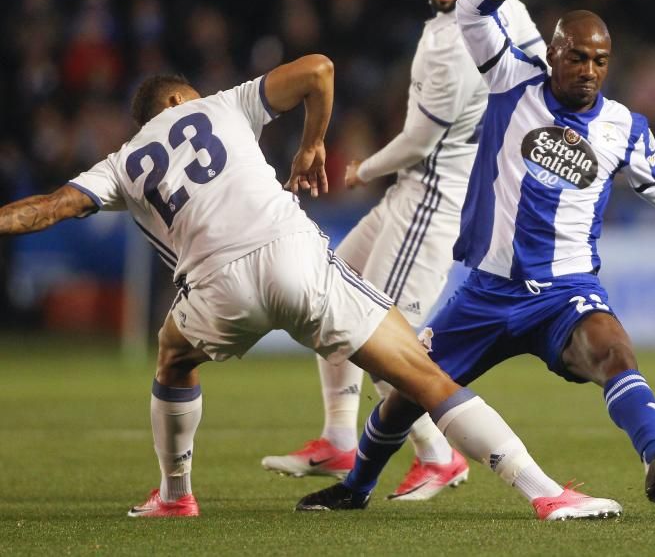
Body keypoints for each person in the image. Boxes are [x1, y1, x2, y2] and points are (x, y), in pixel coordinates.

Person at [0, 55, 621, 521]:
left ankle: (175, 495)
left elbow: (50, 207)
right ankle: (545, 494)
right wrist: (311, 143)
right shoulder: (223, 103)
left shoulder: (120, 163)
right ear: (179, 100)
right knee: (427, 378)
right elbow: (319, 69)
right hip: (294, 257)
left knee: (171, 354)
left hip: (218, 289)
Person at [296, 0, 655, 512]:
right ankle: (356, 487)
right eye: (577, 57)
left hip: (565, 290)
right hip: (488, 291)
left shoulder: (625, 127)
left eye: (600, 61)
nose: (589, 70)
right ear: (553, 53)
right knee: (407, 392)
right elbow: (472, 8)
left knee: (616, 352)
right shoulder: (511, 79)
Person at [261, 0, 547, 501]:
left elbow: (420, 139)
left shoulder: (452, 44)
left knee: (380, 339)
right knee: (329, 289)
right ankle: (340, 436)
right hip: (421, 190)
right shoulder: (512, 13)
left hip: (431, 198)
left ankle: (440, 457)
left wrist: (362, 167)